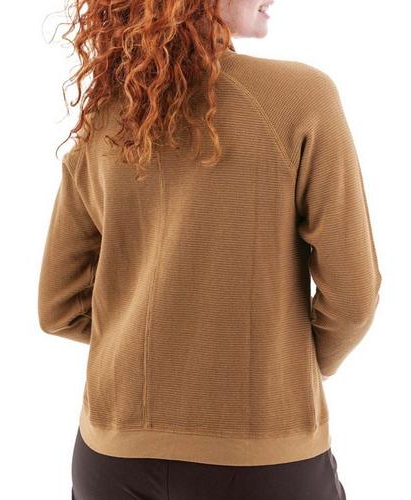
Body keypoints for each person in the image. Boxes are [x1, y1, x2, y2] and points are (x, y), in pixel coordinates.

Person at [37, 0, 382, 498]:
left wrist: (161, 342)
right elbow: (352, 296)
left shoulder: (108, 115)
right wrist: (288, 363)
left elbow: (58, 307)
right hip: (263, 458)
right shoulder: (302, 98)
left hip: (112, 458)